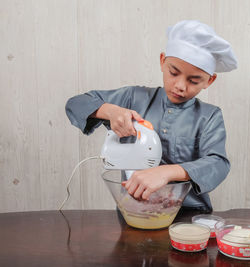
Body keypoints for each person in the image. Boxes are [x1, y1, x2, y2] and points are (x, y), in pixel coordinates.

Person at [65, 20, 237, 213]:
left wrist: (167, 172)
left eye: (193, 80)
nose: (180, 85)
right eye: (174, 72)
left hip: (189, 216)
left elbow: (218, 163)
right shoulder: (134, 98)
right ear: (162, 61)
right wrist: (110, 111)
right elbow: (75, 103)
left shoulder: (209, 116)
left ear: (209, 80)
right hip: (134, 212)